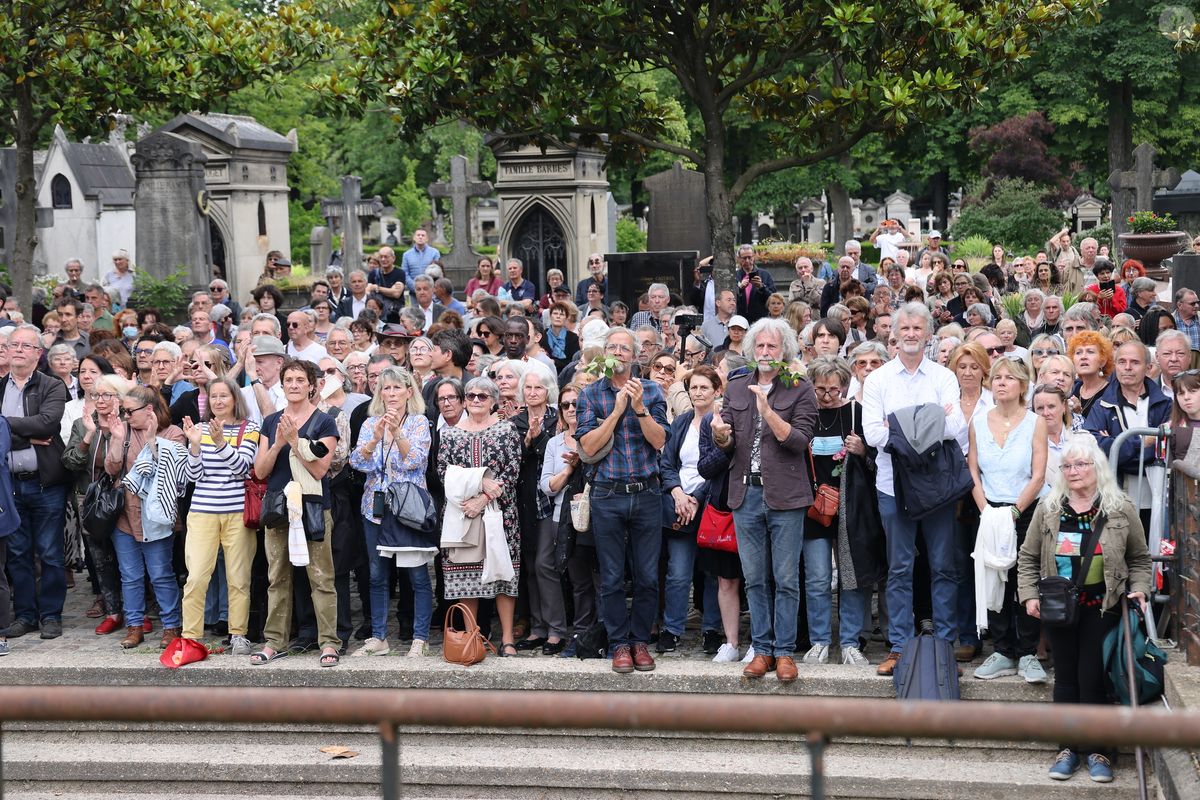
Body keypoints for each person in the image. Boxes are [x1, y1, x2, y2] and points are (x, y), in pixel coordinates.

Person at [1016, 435, 1151, 783]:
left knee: (1092, 678)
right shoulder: (1048, 507)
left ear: (1097, 467)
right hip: (1059, 606)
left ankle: (1099, 750)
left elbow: (1139, 558)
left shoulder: (1119, 507)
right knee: (1065, 679)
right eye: (1068, 466)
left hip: (1102, 606)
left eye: (1081, 464)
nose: (1074, 471)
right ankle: (1067, 748)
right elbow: (1028, 557)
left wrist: (1139, 589)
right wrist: (1029, 595)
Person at [710, 318, 816, 683]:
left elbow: (799, 441)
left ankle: (785, 652)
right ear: (752, 349)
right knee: (754, 579)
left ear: (784, 350)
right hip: (745, 494)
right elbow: (725, 444)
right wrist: (720, 435)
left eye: (772, 347)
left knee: (786, 578)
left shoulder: (800, 388)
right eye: (760, 347)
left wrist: (768, 410)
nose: (766, 353)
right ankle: (763, 649)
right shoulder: (738, 386)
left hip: (786, 495)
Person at [862, 303, 965, 676]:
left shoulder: (942, 377)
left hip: (937, 486)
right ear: (894, 334)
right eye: (903, 327)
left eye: (916, 327)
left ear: (927, 333)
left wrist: (902, 428)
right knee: (900, 567)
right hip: (893, 486)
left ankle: (944, 645)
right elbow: (874, 433)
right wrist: (928, 422)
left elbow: (956, 426)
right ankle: (900, 646)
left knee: (943, 566)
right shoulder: (877, 380)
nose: (909, 333)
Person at [577, 327, 669, 673]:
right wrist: (616, 412)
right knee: (612, 577)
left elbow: (660, 442)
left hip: (646, 493)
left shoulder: (652, 390)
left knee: (647, 576)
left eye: (624, 348)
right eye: (612, 347)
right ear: (605, 355)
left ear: (634, 356)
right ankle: (618, 645)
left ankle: (640, 641)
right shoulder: (591, 394)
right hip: (607, 495)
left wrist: (640, 408)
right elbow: (587, 446)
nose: (618, 352)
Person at [251, 359, 342, 668]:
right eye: (288, 379)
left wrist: (295, 442)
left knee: (321, 578)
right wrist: (278, 444)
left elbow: (320, 470)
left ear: (310, 385)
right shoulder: (270, 421)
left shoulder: (324, 422)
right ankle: (275, 642)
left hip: (314, 508)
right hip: (278, 509)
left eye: (299, 379)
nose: (293, 384)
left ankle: (328, 642)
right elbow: (260, 471)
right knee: (277, 577)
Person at [967, 358, 1048, 682]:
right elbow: (972, 470)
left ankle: (1028, 653)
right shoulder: (978, 421)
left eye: (1009, 378)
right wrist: (986, 509)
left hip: (1024, 508)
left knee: (1023, 580)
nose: (1001, 382)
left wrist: (1014, 511)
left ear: (1022, 385)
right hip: (989, 509)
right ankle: (1002, 650)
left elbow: (1039, 474)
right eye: (997, 377)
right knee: (994, 577)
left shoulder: (1035, 422)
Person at [348, 367, 432, 657]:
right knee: (376, 574)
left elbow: (416, 462)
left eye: (397, 388)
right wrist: (375, 439)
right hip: (375, 507)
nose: (391, 394)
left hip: (407, 509)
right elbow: (358, 462)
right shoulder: (371, 422)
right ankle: (379, 637)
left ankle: (420, 638)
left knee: (417, 575)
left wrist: (397, 433)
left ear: (409, 392)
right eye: (386, 388)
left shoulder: (419, 423)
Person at [438, 377, 523, 654]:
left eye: (483, 396)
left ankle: (508, 638)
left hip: (500, 511)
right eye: (471, 395)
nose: (476, 400)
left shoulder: (507, 430)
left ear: (494, 401)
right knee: (467, 577)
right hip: (462, 512)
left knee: (503, 576)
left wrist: (485, 496)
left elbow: (512, 471)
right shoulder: (450, 434)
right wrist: (479, 482)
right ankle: (472, 637)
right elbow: (443, 472)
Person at [180, 378, 260, 656]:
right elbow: (193, 477)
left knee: (238, 578)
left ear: (235, 399)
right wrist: (194, 447)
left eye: (224, 396)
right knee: (197, 577)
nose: (218, 401)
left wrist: (219, 443)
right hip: (202, 512)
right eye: (213, 396)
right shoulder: (199, 429)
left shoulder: (249, 428)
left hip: (238, 512)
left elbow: (242, 469)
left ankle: (238, 633)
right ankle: (190, 636)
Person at [1, 325, 71, 640]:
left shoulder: (52, 386)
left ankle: (51, 615)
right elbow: (35, 430)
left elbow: (48, 422)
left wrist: (4, 427)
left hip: (46, 484)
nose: (17, 349)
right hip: (8, 485)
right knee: (17, 553)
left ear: (37, 353)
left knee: (50, 552)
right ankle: (26, 615)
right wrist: (28, 436)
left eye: (25, 345)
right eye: (13, 344)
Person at [804, 356, 875, 666]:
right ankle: (819, 640)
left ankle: (849, 642)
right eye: (820, 389)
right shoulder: (804, 414)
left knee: (851, 577)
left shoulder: (857, 412)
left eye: (834, 389)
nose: (827, 395)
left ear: (845, 386)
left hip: (850, 506)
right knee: (818, 578)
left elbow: (877, 459)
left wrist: (862, 450)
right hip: (813, 507)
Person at [105, 385, 186, 649]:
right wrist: (116, 439)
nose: (126, 416)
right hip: (125, 517)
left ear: (149, 409)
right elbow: (111, 468)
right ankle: (134, 626)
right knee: (130, 575)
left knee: (161, 574)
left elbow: (171, 472)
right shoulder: (124, 431)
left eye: (129, 411)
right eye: (124, 411)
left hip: (158, 517)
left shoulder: (174, 434)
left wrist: (152, 441)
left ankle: (171, 626)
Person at [658, 365, 723, 654]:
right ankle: (672, 629)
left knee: (711, 572)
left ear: (716, 391)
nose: (698, 392)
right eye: (693, 387)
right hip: (679, 506)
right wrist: (677, 492)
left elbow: (721, 466)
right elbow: (667, 463)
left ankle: (711, 629)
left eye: (704, 387)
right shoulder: (681, 422)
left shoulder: (721, 423)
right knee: (678, 572)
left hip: (710, 506)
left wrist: (696, 497)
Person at [1085, 341, 1171, 531]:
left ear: (1148, 368)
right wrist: (1145, 441)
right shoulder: (1102, 406)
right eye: (1122, 362)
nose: (1127, 368)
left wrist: (1117, 446)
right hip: (1112, 495)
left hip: (1154, 497)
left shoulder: (1166, 405)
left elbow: (1163, 453)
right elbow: (1095, 449)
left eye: (1135, 362)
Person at [509, 366, 563, 653]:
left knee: (544, 563)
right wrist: (528, 440)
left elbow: (554, 450)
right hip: (523, 500)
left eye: (538, 388)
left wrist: (536, 439)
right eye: (528, 388)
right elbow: (514, 456)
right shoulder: (516, 421)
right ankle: (538, 627)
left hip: (550, 501)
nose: (532, 393)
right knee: (529, 566)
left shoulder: (557, 418)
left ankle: (556, 628)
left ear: (547, 391)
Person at [1068, 331, 1113, 420]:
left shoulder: (1111, 393)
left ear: (1102, 361)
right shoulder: (1073, 389)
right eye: (1078, 352)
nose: (1083, 357)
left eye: (1090, 352)